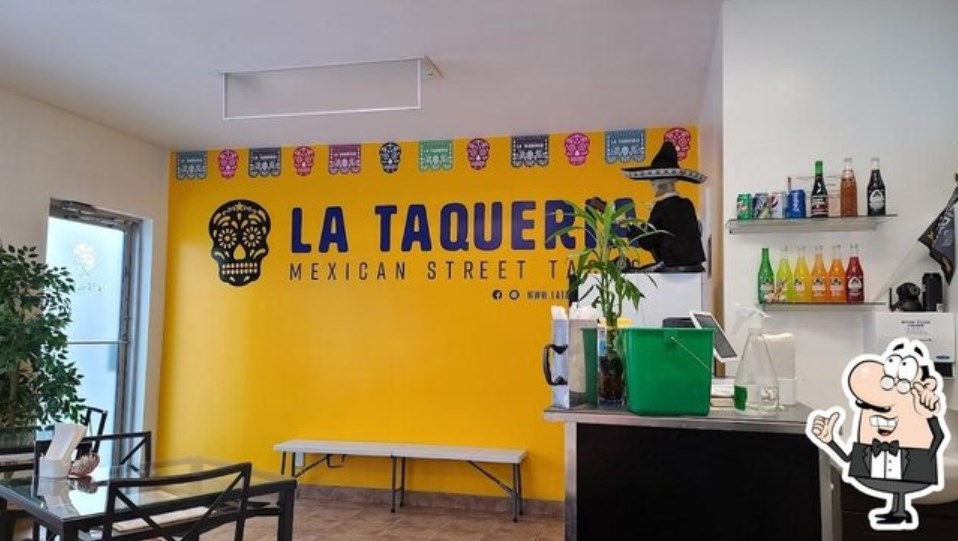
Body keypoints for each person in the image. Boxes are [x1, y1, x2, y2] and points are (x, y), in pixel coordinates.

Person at [590, 140, 707, 271]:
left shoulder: (661, 206)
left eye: (653, 182)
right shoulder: (687, 204)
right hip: (695, 268)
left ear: (656, 184)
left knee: (633, 273)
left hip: (671, 268)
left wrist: (628, 226)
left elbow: (647, 240)